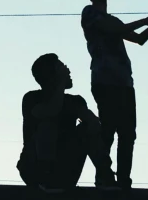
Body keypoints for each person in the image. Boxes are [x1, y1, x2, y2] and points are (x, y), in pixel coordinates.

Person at [81, 0, 148, 191]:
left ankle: (123, 182)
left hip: (124, 83)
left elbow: (139, 39)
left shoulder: (114, 20)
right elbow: (117, 30)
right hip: (104, 80)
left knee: (128, 133)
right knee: (109, 130)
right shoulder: (89, 13)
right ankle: (104, 178)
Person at [17, 53, 107, 193]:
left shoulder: (75, 101)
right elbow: (49, 111)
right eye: (61, 67)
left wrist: (89, 121)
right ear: (51, 74)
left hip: (65, 167)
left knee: (86, 128)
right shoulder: (32, 98)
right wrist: (61, 84)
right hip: (34, 169)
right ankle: (46, 177)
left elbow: (94, 124)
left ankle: (104, 174)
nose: (68, 70)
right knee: (48, 125)